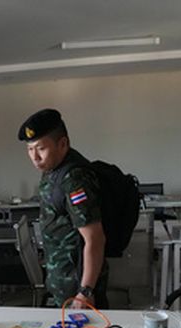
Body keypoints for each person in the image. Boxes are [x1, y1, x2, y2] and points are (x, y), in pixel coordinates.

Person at [18, 108, 108, 309]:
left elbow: (95, 238)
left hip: (77, 287)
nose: (35, 157)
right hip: (62, 280)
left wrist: (86, 291)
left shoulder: (74, 179)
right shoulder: (53, 169)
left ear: (63, 144)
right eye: (30, 149)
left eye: (41, 148)